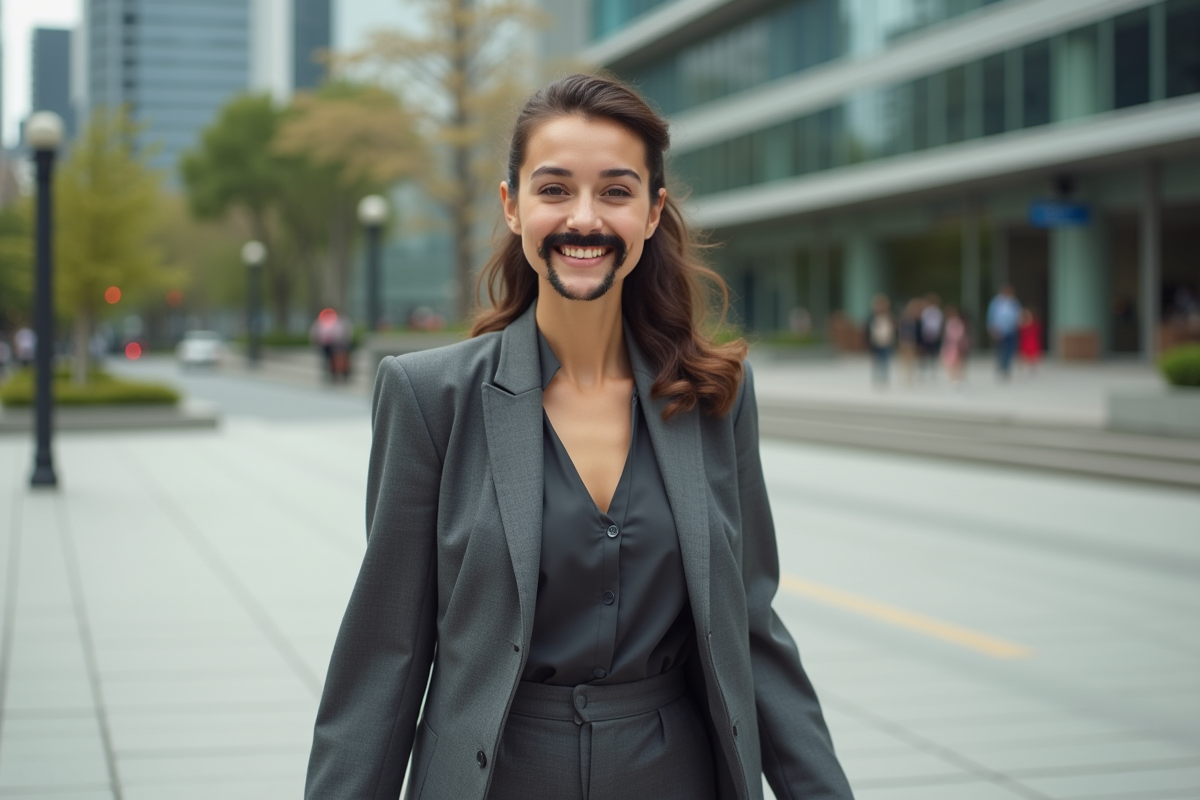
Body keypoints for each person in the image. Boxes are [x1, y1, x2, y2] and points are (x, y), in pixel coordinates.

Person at [304, 74, 853, 800]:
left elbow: (749, 632)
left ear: (654, 211)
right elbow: (385, 656)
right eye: (555, 189)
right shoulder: (430, 398)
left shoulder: (715, 398)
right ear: (513, 206)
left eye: (616, 192)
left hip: (676, 777)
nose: (584, 220)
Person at [987, 284, 1021, 380]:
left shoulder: (1014, 302)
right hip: (999, 330)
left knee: (1010, 350)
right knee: (1000, 350)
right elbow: (991, 315)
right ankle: (1000, 367)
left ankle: (1006, 368)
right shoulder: (996, 302)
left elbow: (1018, 315)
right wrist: (991, 327)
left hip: (1011, 329)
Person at [865, 293, 896, 387]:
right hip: (875, 342)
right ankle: (877, 378)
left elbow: (893, 329)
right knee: (876, 361)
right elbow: (867, 330)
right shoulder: (872, 317)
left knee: (885, 360)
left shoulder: (889, 317)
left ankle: (884, 378)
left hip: (886, 342)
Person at [897, 297, 923, 385]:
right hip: (905, 341)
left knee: (912, 360)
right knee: (905, 359)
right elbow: (900, 331)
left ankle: (910, 376)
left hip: (912, 342)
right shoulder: (905, 320)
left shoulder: (917, 321)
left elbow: (919, 333)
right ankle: (906, 376)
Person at [940, 306, 969, 385]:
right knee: (951, 363)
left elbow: (959, 334)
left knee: (957, 362)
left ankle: (957, 379)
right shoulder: (949, 322)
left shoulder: (957, 322)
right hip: (950, 345)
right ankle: (954, 379)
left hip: (956, 345)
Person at [919, 293, 943, 378]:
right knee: (927, 353)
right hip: (929, 334)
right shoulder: (930, 311)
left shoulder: (933, 311)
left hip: (930, 334)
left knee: (930, 353)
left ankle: (930, 369)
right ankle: (928, 369)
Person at [1017, 308, 1043, 374]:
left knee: (1033, 359)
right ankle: (1023, 371)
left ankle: (1032, 371)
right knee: (1024, 359)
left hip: (1033, 344)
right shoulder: (1022, 326)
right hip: (1025, 345)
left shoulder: (1034, 325)